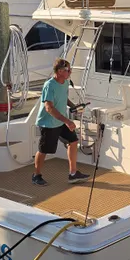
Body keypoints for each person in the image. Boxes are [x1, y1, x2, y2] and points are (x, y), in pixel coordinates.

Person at [33, 58, 90, 186]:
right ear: (59, 71)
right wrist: (67, 121)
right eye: (67, 70)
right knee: (43, 150)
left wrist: (74, 107)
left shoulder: (65, 82)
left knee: (73, 141)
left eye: (70, 70)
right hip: (48, 124)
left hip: (61, 121)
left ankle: (73, 173)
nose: (70, 72)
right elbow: (49, 108)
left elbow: (64, 97)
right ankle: (36, 175)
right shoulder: (49, 85)